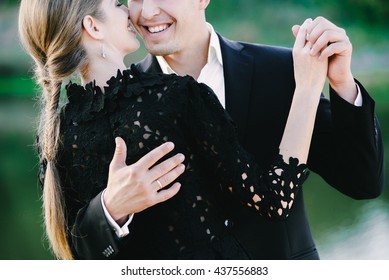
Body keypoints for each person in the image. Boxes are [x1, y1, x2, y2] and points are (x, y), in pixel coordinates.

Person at [18, 0, 330, 260]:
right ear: (93, 27)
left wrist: (111, 212)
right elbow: (274, 201)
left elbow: (75, 254)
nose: (129, 10)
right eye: (116, 4)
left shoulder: (55, 135)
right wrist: (308, 86)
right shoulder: (179, 97)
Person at [127, 0, 385, 259]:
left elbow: (363, 182)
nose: (147, 12)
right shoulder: (121, 99)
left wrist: (342, 83)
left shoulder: (281, 70)